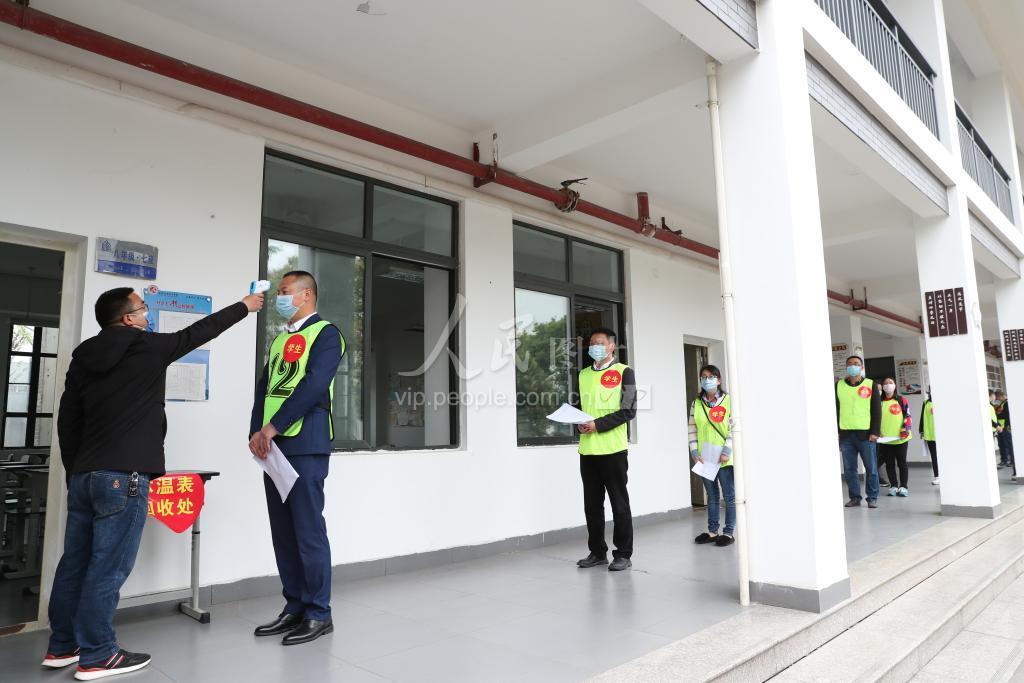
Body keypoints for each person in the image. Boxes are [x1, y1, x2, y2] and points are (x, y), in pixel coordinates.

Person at [45, 287, 264, 680]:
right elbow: (201, 331)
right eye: (143, 308)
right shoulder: (146, 347)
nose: (148, 314)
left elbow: (68, 420)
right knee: (107, 568)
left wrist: (77, 471)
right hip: (124, 475)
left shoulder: (83, 356)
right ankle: (98, 654)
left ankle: (63, 646)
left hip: (84, 475)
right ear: (128, 318)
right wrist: (245, 307)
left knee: (74, 563)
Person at [249, 271, 344, 646]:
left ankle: (319, 612)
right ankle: (295, 606)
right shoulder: (280, 340)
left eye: (285, 291)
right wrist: (256, 432)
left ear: (306, 295)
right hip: (273, 447)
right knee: (284, 532)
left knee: (307, 530)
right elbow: (264, 389)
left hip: (305, 443)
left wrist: (273, 427)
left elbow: (314, 386)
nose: (279, 297)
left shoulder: (326, 335)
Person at [573, 328, 637, 572]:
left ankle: (623, 554)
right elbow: (579, 407)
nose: (594, 347)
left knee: (619, 504)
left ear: (612, 346)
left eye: (600, 343)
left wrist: (597, 425)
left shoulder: (624, 372)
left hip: (613, 450)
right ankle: (597, 552)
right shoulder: (583, 374)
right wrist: (578, 424)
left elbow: (629, 410)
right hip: (588, 450)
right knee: (592, 505)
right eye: (592, 343)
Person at [689, 365, 735, 547]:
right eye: (704, 377)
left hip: (723, 457)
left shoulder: (729, 401)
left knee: (729, 496)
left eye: (711, 376)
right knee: (712, 495)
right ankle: (713, 532)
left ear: (719, 380)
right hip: (705, 457)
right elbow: (692, 429)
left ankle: (729, 533)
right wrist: (694, 452)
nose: (707, 380)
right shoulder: (696, 403)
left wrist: (727, 450)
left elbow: (733, 427)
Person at [836, 355, 881, 508]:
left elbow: (877, 410)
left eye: (856, 364)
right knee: (850, 469)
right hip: (845, 435)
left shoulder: (870, 384)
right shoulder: (839, 385)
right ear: (846, 367)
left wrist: (875, 432)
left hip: (866, 435)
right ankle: (855, 497)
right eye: (849, 364)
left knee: (871, 468)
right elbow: (835, 409)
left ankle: (872, 497)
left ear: (861, 367)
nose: (852, 366)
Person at [877, 377, 912, 497]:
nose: (888, 385)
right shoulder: (879, 402)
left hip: (901, 438)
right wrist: (877, 431)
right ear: (883, 387)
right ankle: (893, 486)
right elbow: (875, 418)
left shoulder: (901, 400)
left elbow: (908, 415)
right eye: (885, 383)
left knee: (902, 463)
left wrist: (905, 429)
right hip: (886, 439)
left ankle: (903, 486)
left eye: (890, 383)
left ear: (895, 385)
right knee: (889, 464)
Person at [920, 388, 938, 486]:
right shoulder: (926, 403)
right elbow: (922, 418)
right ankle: (937, 476)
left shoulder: (942, 402)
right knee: (934, 456)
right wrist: (921, 431)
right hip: (930, 435)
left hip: (941, 435)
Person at [995, 390, 1014, 479]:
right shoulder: (1002, 403)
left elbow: (1007, 416)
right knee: (1002, 444)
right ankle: (1004, 460)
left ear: (1001, 396)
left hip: (1005, 427)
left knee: (1008, 445)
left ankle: (1011, 461)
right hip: (1001, 428)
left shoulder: (1006, 403)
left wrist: (1005, 426)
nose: (997, 399)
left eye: (998, 397)